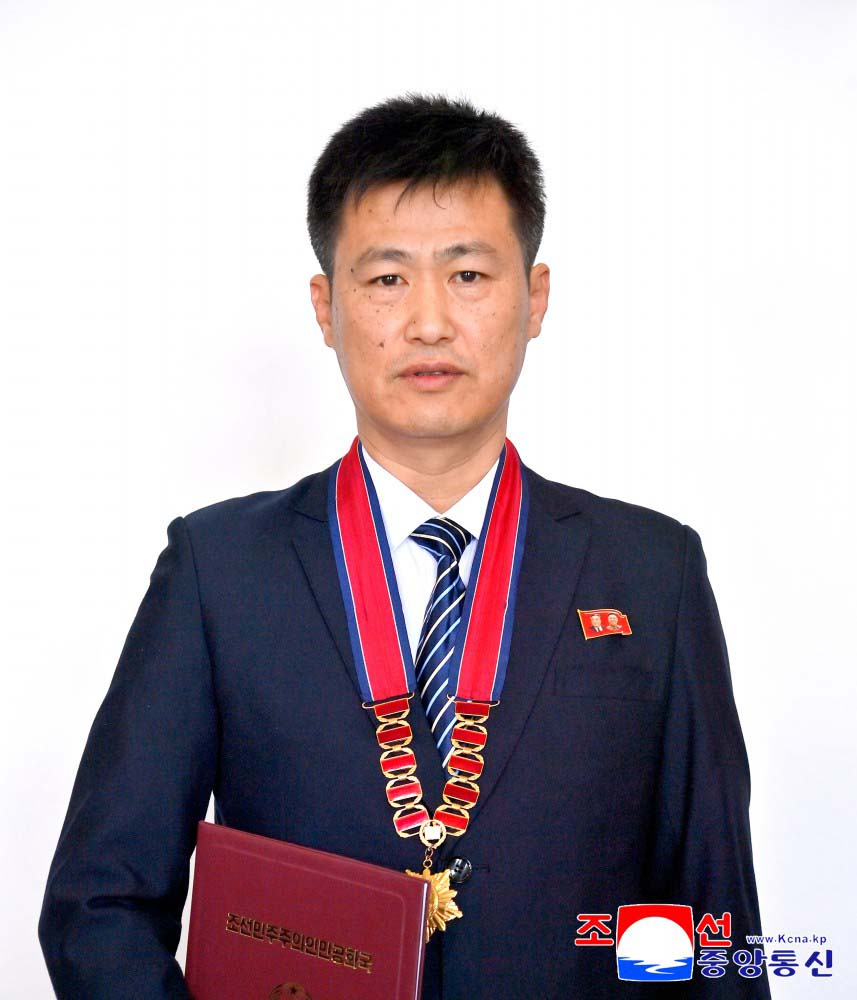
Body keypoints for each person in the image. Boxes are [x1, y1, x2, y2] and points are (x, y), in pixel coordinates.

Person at [39, 93, 770, 998]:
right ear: (325, 306)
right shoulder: (218, 571)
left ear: (534, 297)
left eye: (468, 274)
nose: (428, 322)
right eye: (386, 279)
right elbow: (99, 905)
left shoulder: (652, 572)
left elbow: (714, 921)